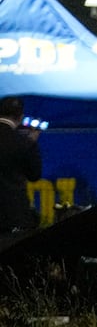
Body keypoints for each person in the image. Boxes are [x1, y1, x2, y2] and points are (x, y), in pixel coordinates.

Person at [0, 96, 41, 233]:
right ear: (20, 116)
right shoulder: (23, 142)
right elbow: (34, 175)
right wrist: (32, 143)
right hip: (13, 213)